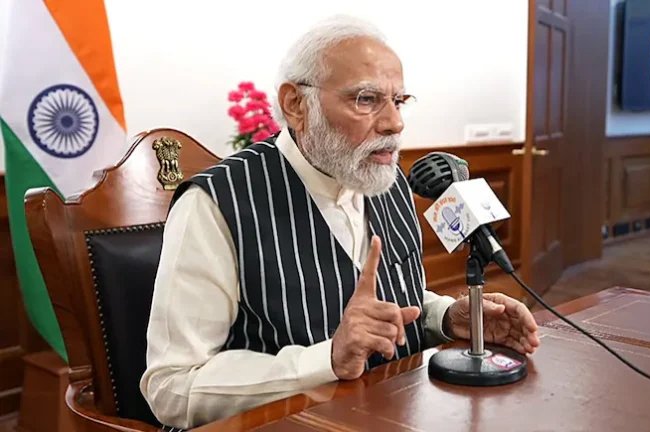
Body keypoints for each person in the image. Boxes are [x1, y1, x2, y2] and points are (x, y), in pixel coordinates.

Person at [140, 15, 540, 429]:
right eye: (366, 99)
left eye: (399, 101)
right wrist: (327, 360)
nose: (395, 123)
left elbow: (392, 298)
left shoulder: (387, 180)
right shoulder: (216, 203)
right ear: (296, 105)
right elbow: (172, 387)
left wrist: (446, 317)